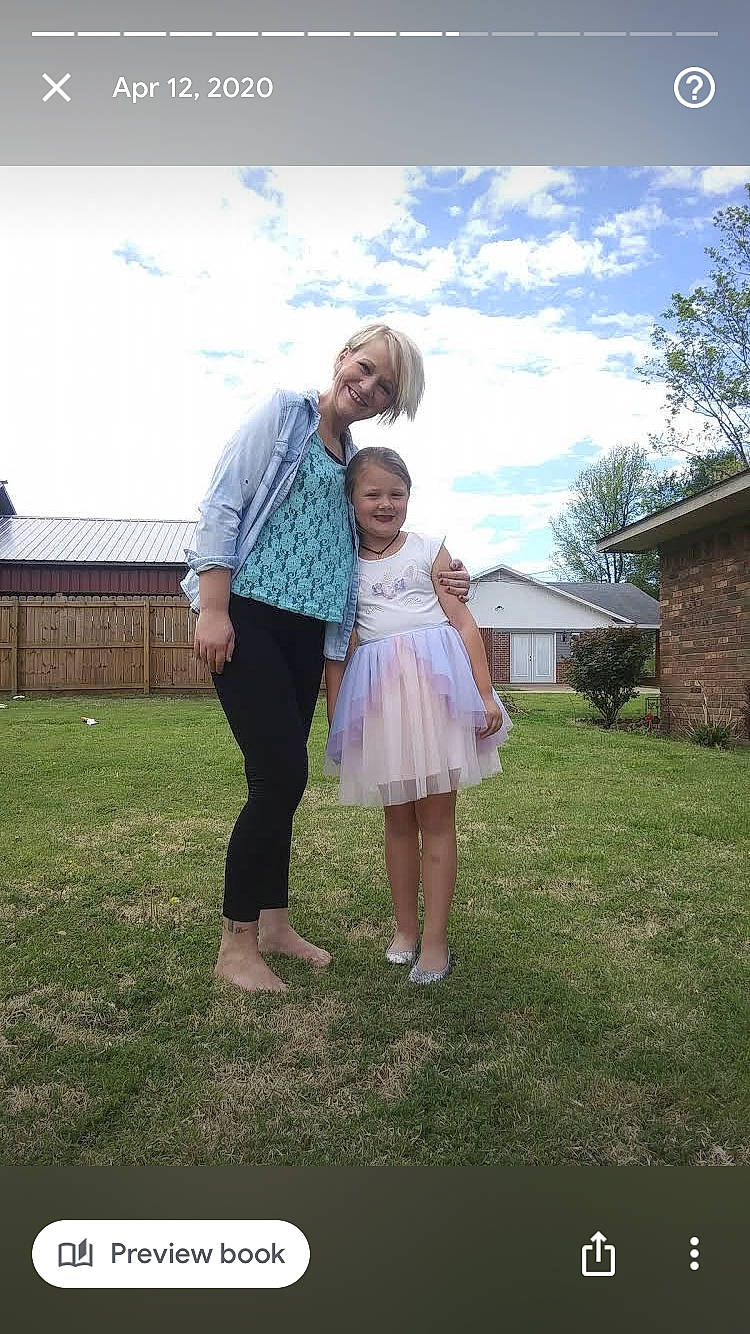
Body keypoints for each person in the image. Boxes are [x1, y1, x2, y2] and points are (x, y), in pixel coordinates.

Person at [181, 324, 471, 993]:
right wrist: (214, 607)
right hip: (249, 617)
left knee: (286, 778)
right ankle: (236, 944)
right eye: (364, 368)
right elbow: (223, 502)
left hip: (308, 634)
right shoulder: (285, 414)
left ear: (390, 404)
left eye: (385, 387)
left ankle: (274, 924)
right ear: (343, 357)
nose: (367, 387)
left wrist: (446, 574)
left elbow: (374, 542)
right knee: (277, 776)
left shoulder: (355, 459)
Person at [324, 447, 513, 985]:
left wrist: (484, 693)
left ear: (410, 496)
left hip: (437, 698)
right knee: (397, 821)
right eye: (372, 494)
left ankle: (435, 941)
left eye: (397, 493)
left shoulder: (431, 549)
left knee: (437, 819)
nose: (386, 504)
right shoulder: (340, 562)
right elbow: (339, 646)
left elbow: (464, 623)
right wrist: (338, 719)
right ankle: (405, 929)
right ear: (351, 499)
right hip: (381, 702)